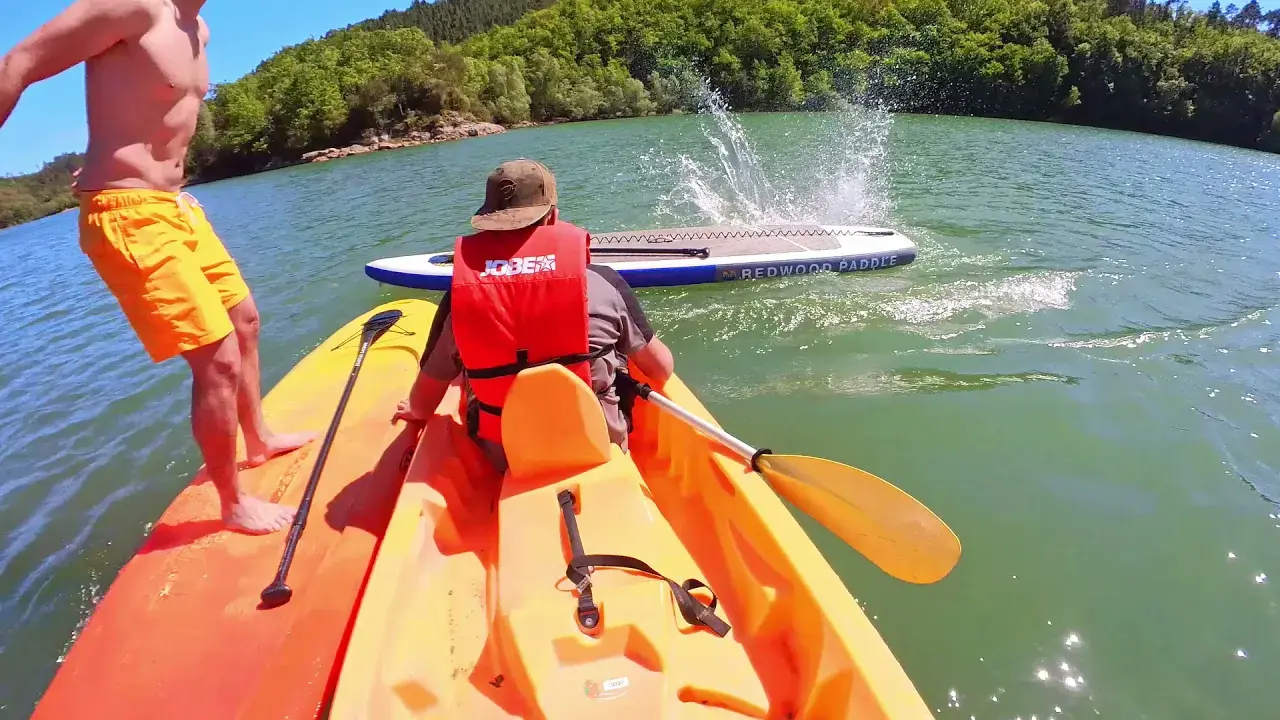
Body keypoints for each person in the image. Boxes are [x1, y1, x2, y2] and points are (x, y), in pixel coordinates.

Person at [0, 0, 312, 534]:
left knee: (246, 321)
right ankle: (233, 504)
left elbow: (151, 118)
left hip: (175, 206)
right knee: (217, 359)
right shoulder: (129, 8)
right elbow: (19, 62)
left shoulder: (199, 29)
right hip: (126, 214)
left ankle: (257, 440)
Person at [393, 159, 675, 472]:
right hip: (599, 443)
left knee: (468, 370)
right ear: (553, 215)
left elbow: (421, 404)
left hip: (507, 458)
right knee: (612, 356)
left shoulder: (460, 298)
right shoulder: (603, 281)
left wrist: (415, 411)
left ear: (488, 221)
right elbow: (661, 369)